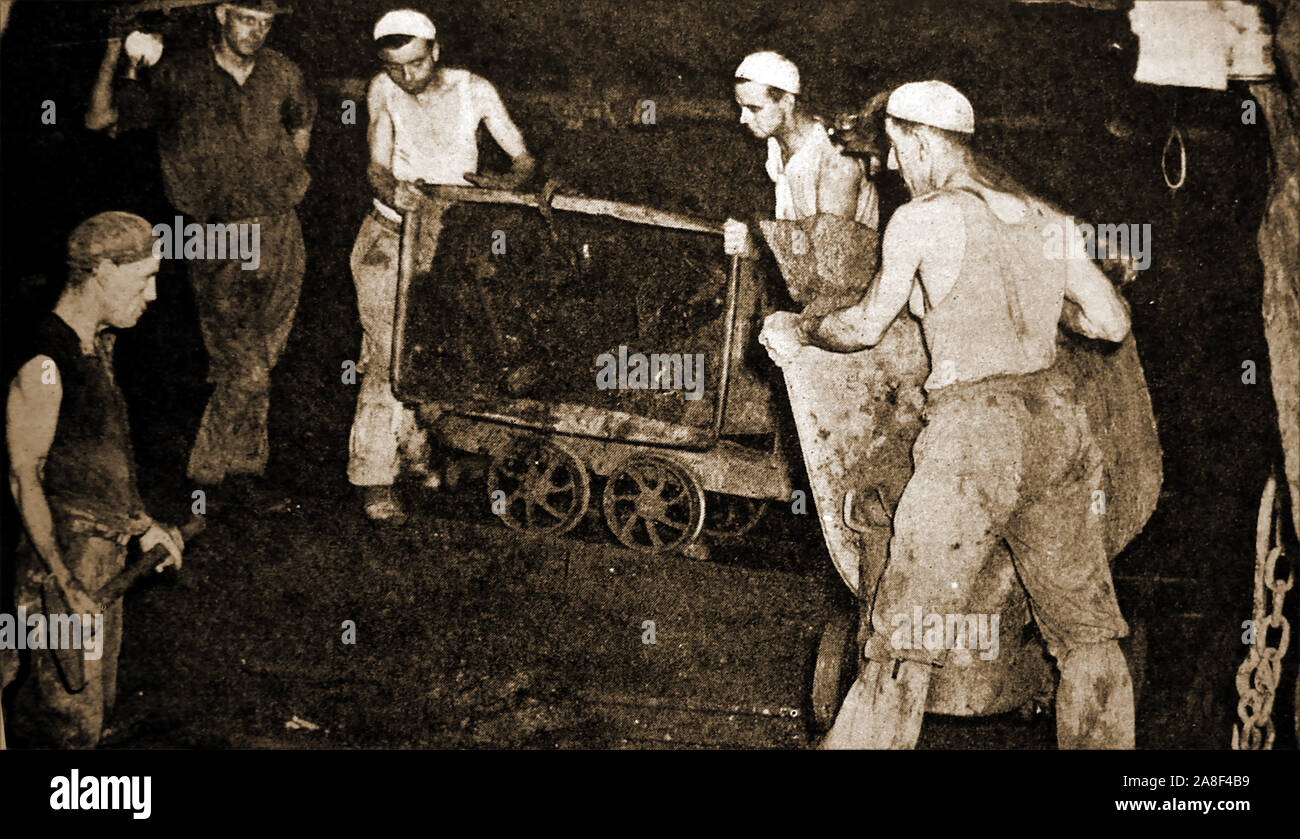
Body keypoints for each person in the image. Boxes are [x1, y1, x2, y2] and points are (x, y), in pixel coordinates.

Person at [762, 81, 1137, 749]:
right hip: (1055, 426)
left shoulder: (923, 218)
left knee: (905, 633)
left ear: (916, 139)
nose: (896, 168)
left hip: (975, 436)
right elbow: (1110, 322)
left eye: (896, 150)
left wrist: (803, 327)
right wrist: (1049, 311)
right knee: (1086, 633)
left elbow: (866, 326)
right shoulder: (1044, 221)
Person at [85, 1, 315, 508]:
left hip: (280, 225)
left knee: (261, 357)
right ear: (220, 16)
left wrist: (279, 178)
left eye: (266, 22)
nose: (256, 31)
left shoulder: (281, 72)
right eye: (246, 19)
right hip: (216, 233)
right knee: (244, 361)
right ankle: (212, 475)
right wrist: (112, 50)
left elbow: (300, 124)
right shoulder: (178, 74)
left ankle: (238, 468)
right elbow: (100, 117)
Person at [6, 212, 185, 748]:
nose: (152, 295)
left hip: (102, 557)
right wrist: (65, 581)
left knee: (93, 706)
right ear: (103, 270)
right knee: (67, 718)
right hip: (65, 563)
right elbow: (25, 480)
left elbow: (97, 460)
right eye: (144, 279)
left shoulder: (97, 343)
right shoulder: (45, 364)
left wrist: (143, 524)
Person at [349, 9, 535, 522]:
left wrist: (504, 185)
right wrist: (395, 191)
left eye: (415, 64)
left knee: (427, 354)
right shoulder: (381, 90)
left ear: (436, 50)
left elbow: (523, 160)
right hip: (388, 239)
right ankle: (373, 482)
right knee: (387, 361)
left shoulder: (474, 90)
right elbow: (377, 167)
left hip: (448, 245)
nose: (406, 77)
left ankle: (413, 455)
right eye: (394, 67)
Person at [723, 51, 879, 282]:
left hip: (848, 297)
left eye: (754, 108)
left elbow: (832, 265)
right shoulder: (775, 146)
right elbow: (799, 236)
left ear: (787, 102)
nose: (743, 118)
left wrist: (757, 248)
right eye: (741, 107)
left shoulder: (832, 162)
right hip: (809, 287)